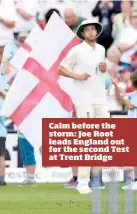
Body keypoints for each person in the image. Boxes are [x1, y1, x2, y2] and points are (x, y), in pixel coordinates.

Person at [58, 20, 108, 194]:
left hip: (100, 98)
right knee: (87, 140)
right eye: (87, 30)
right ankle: (82, 180)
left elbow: (100, 72)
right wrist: (77, 76)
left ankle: (96, 179)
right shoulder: (76, 50)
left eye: (93, 29)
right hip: (84, 99)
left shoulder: (101, 49)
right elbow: (60, 69)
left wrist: (104, 68)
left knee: (100, 141)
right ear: (82, 33)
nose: (91, 32)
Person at [113, 72, 137, 190]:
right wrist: (117, 86)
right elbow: (121, 99)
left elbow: (131, 105)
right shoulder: (133, 93)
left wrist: (125, 97)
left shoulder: (134, 95)